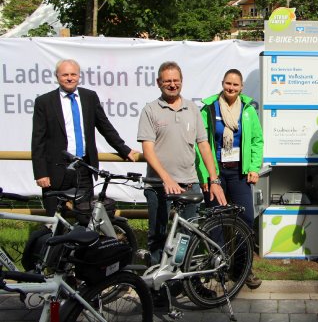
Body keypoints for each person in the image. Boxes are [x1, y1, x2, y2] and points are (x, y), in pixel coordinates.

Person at [137, 61, 227, 267]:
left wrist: (214, 180)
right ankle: (157, 285)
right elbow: (148, 150)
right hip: (158, 185)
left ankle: (183, 280)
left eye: (176, 80)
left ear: (182, 82)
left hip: (189, 184)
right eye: (167, 81)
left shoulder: (192, 109)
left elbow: (204, 145)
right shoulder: (150, 110)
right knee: (157, 236)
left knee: (187, 236)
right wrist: (166, 178)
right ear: (159, 82)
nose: (172, 84)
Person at [32, 59, 137, 216]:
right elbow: (38, 140)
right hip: (56, 169)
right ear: (56, 76)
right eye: (65, 74)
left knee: (85, 217)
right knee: (53, 219)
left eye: (73, 74)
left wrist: (124, 149)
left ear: (79, 76)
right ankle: (51, 240)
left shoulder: (89, 97)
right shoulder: (44, 102)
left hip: (84, 167)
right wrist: (41, 173)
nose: (69, 78)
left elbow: (105, 126)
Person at [196, 69, 264, 289]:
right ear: (222, 83)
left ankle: (244, 268)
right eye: (228, 84)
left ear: (241, 87)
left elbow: (256, 140)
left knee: (245, 220)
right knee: (215, 221)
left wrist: (254, 167)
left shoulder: (248, 110)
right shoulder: (209, 108)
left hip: (239, 174)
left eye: (235, 85)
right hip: (215, 174)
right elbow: (200, 144)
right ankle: (219, 267)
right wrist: (206, 175)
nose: (231, 88)